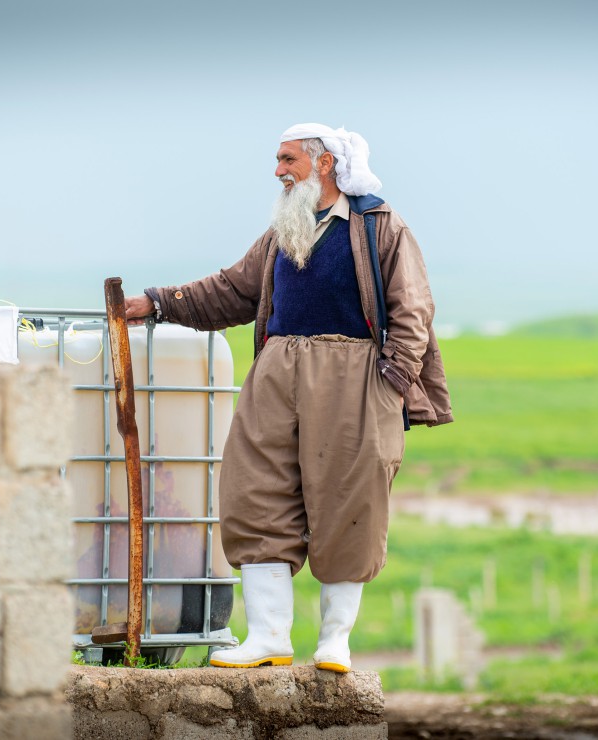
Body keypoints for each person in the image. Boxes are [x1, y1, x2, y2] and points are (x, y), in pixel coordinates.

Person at [124, 123, 453, 671]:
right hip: (276, 375)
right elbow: (232, 291)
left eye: (288, 159)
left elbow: (413, 308)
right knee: (253, 491)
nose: (278, 171)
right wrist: (158, 303)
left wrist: (391, 383)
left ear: (325, 164)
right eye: (278, 161)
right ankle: (269, 638)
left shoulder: (380, 226)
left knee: (351, 504)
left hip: (355, 379)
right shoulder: (285, 229)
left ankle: (335, 643)